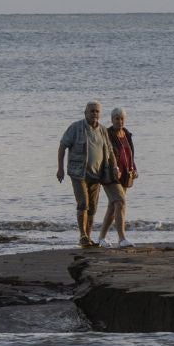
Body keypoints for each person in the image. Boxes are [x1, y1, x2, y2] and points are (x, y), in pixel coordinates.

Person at [56, 100, 115, 248]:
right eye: (92, 111)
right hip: (78, 173)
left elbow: (110, 150)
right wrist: (60, 168)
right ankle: (82, 236)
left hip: (97, 175)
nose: (94, 113)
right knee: (83, 203)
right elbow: (62, 146)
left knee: (93, 207)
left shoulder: (102, 130)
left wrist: (114, 167)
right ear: (85, 113)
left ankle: (88, 237)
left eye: (97, 111)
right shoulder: (76, 128)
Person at [98, 107, 136, 246]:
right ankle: (122, 239)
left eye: (122, 119)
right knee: (120, 202)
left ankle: (101, 238)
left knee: (114, 206)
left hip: (125, 175)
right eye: (117, 119)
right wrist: (113, 167)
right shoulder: (107, 134)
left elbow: (130, 153)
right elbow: (105, 153)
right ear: (112, 120)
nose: (120, 121)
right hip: (110, 175)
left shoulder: (126, 134)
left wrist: (134, 168)